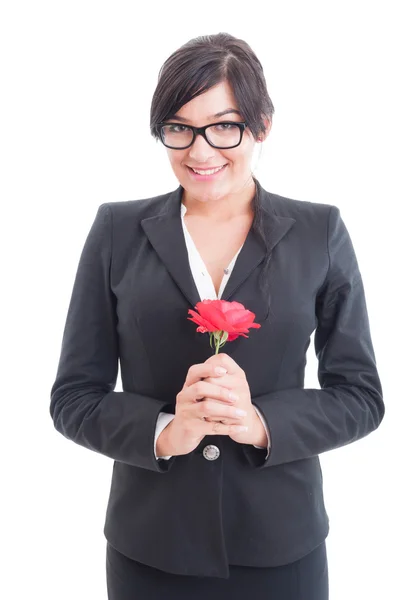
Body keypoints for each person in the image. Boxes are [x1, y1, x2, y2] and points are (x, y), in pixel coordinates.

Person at [49, 32, 384, 600]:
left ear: (262, 125)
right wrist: (164, 431)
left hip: (284, 547)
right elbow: (74, 397)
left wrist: (261, 424)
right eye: (178, 128)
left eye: (223, 126)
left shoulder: (319, 232)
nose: (200, 152)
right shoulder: (116, 231)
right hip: (151, 549)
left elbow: (360, 396)